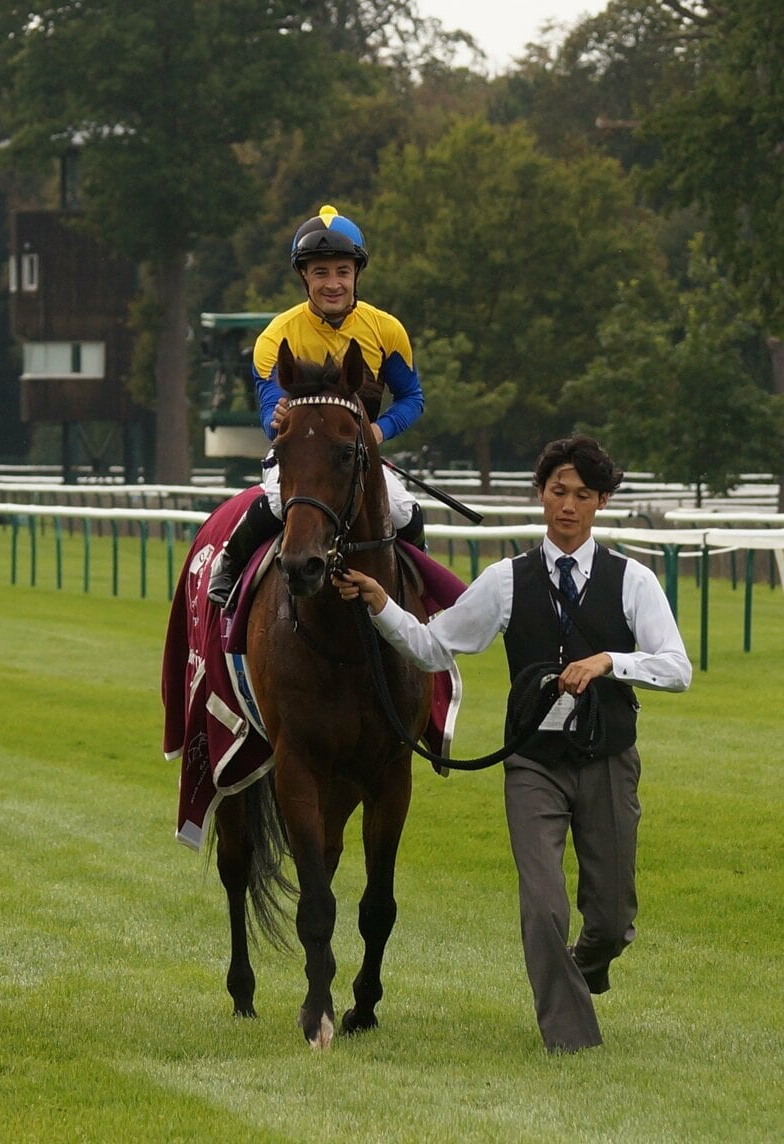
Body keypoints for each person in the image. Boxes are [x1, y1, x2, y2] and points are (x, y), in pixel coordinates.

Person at [333, 435, 691, 1053]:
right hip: (532, 765)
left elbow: (677, 668)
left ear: (602, 501)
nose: (568, 506)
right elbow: (430, 646)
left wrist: (609, 661)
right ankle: (571, 1040)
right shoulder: (506, 580)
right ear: (541, 494)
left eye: (582, 495)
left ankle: (582, 970)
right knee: (545, 908)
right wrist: (381, 603)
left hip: (608, 759)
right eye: (558, 492)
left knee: (607, 920)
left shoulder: (634, 580)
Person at [207, 205, 425, 604]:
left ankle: (421, 596)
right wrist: (277, 421)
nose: (333, 284)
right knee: (275, 502)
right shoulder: (277, 336)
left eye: (342, 271)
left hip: (355, 457)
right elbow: (270, 407)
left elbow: (412, 398)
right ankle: (228, 569)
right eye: (320, 272)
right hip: (299, 457)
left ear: (356, 273)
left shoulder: (387, 330)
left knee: (407, 513)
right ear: (303, 276)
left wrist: (378, 431)